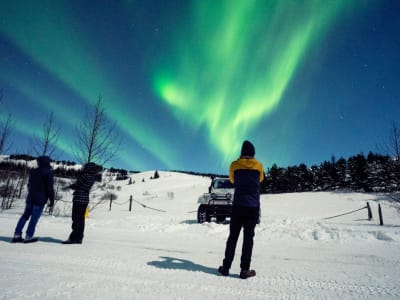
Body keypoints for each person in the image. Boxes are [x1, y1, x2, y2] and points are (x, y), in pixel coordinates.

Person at [218, 140, 264, 279]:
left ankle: (225, 267)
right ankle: (245, 270)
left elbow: (232, 180)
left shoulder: (234, 165)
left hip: (238, 206)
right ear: (253, 153)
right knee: (248, 238)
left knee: (233, 237)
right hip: (253, 207)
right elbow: (260, 180)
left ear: (242, 152)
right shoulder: (259, 165)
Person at [12, 156, 55, 243]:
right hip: (40, 200)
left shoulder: (33, 171)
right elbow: (49, 188)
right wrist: (52, 200)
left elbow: (29, 185)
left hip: (30, 198)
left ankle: (17, 235)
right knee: (34, 218)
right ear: (47, 162)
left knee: (25, 216)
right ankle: (28, 237)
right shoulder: (48, 172)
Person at [62, 162, 101, 244]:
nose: (83, 168)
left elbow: (77, 185)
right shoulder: (93, 177)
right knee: (81, 219)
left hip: (79, 198)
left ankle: (73, 238)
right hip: (85, 199)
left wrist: (68, 186)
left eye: (85, 167)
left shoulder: (84, 176)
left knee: (76, 219)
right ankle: (79, 238)